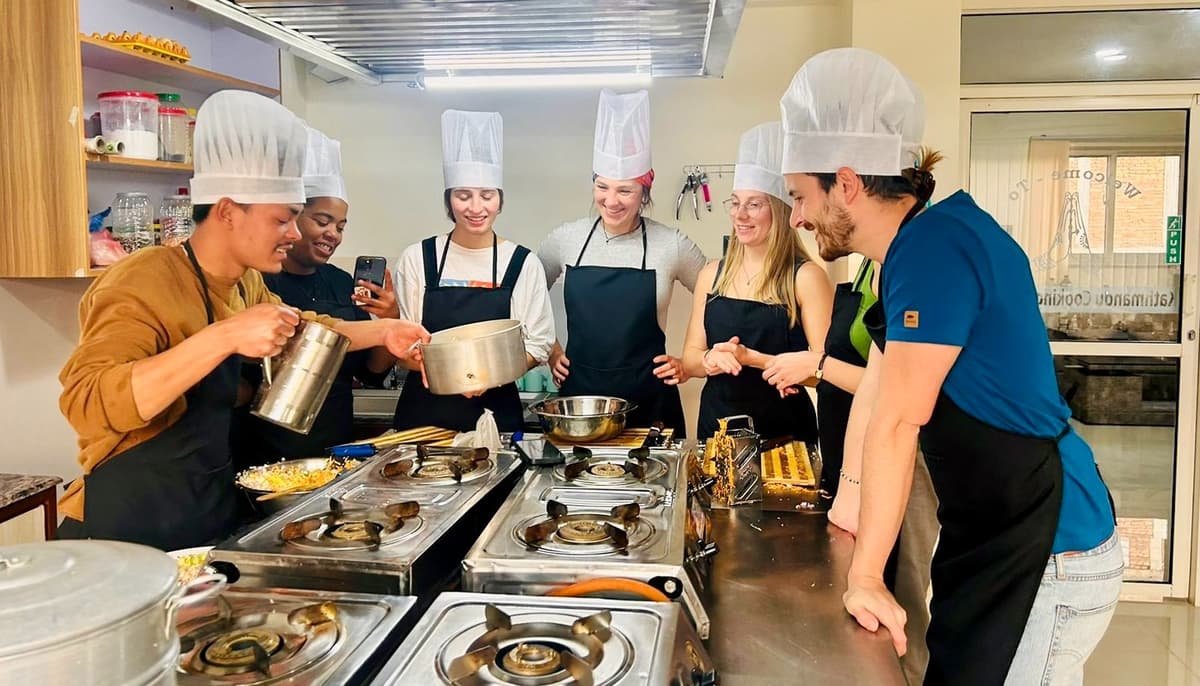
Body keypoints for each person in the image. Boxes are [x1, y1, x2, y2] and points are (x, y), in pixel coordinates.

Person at [780, 49, 1121, 685]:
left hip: (1048, 543)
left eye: (800, 196)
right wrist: (850, 498)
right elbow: (880, 389)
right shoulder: (914, 248)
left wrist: (865, 576)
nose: (795, 217)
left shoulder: (934, 249)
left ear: (846, 183)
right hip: (997, 528)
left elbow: (897, 422)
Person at [57, 90, 429, 551]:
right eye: (283, 220)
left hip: (203, 505)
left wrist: (385, 330)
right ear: (228, 211)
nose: (294, 233)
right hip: (126, 522)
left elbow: (304, 328)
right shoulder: (143, 278)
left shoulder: (244, 282)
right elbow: (88, 404)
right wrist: (226, 335)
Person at [538, 89, 706, 436]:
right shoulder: (565, 240)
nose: (611, 201)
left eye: (625, 190)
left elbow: (718, 295)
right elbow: (525, 297)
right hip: (581, 404)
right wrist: (551, 351)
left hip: (650, 401)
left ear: (644, 192)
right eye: (603, 187)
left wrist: (690, 362)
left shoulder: (671, 244)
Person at [230, 127, 399, 467]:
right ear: (292, 220)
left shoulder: (340, 282)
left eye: (341, 226)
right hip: (263, 453)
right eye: (322, 221)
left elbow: (372, 372)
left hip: (334, 448)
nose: (333, 234)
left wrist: (390, 319)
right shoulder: (256, 281)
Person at [392, 110, 554, 432]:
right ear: (449, 200)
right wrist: (452, 376)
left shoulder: (522, 262)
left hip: (495, 416)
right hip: (424, 419)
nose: (476, 208)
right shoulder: (417, 258)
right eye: (463, 196)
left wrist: (488, 376)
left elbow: (539, 344)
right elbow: (403, 347)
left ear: (500, 201)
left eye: (487, 196)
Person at [681, 122, 831, 441]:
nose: (740, 215)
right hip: (717, 431)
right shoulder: (712, 275)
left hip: (784, 435)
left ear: (779, 211)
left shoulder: (806, 277)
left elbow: (824, 372)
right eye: (735, 203)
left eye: (754, 204)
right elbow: (691, 361)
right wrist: (710, 359)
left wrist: (752, 359)